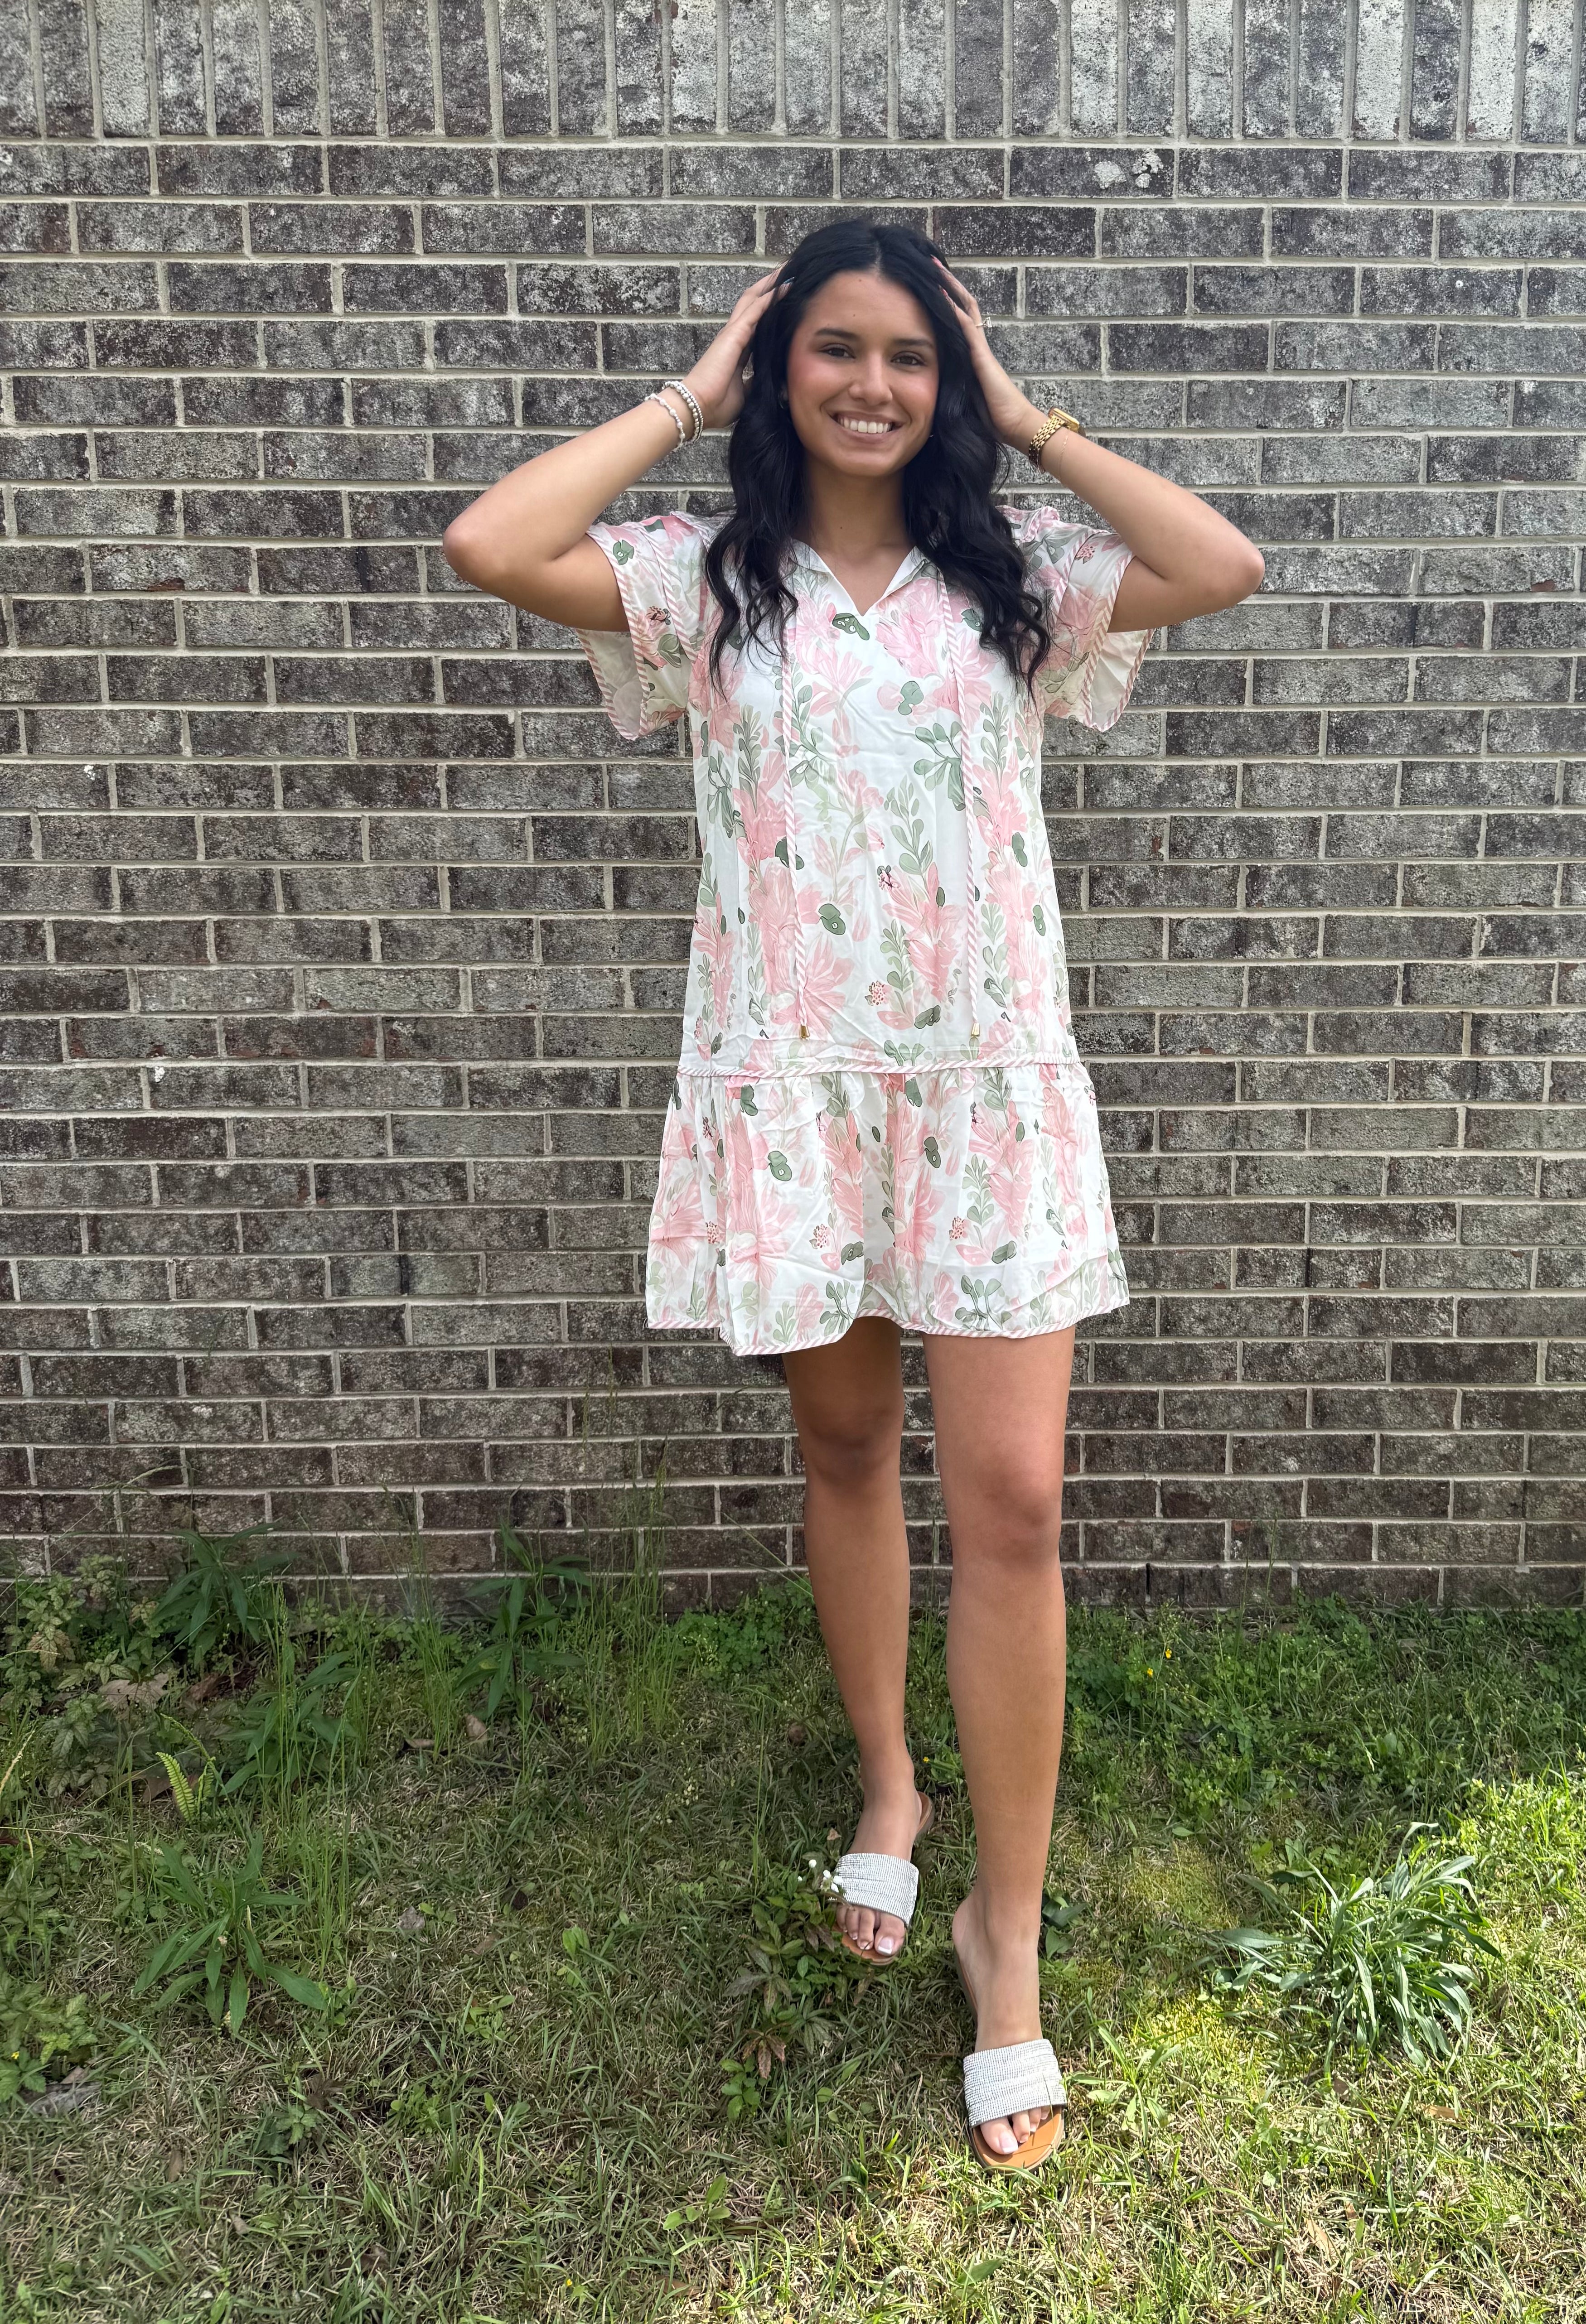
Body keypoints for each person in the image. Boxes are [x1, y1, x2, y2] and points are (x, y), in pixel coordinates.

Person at [443, 217, 1264, 2171]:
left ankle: (1010, 1934)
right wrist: (688, 392)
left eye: (908, 354)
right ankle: (890, 1786)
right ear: (783, 367)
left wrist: (1032, 414)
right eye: (835, 349)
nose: (874, 384)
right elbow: (490, 544)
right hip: (796, 1099)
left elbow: (1220, 564)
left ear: (946, 376)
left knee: (1018, 1503)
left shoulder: (1023, 587)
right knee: (840, 1452)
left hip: (983, 1088)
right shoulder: (701, 586)